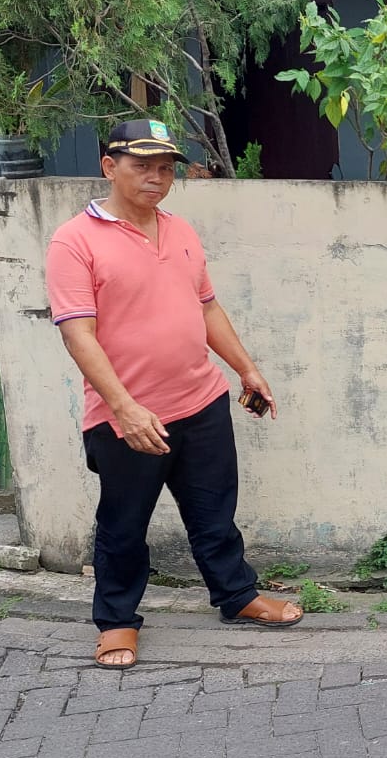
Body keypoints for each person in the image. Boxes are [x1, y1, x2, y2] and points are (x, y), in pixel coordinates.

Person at [46, 118, 303, 669]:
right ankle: (116, 622)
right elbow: (76, 333)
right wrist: (125, 407)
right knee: (124, 526)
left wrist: (246, 369)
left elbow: (206, 306)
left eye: (165, 168)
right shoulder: (75, 240)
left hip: (202, 400)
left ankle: (237, 596)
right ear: (109, 167)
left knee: (214, 514)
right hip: (128, 418)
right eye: (142, 166)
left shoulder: (181, 231)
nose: (156, 178)